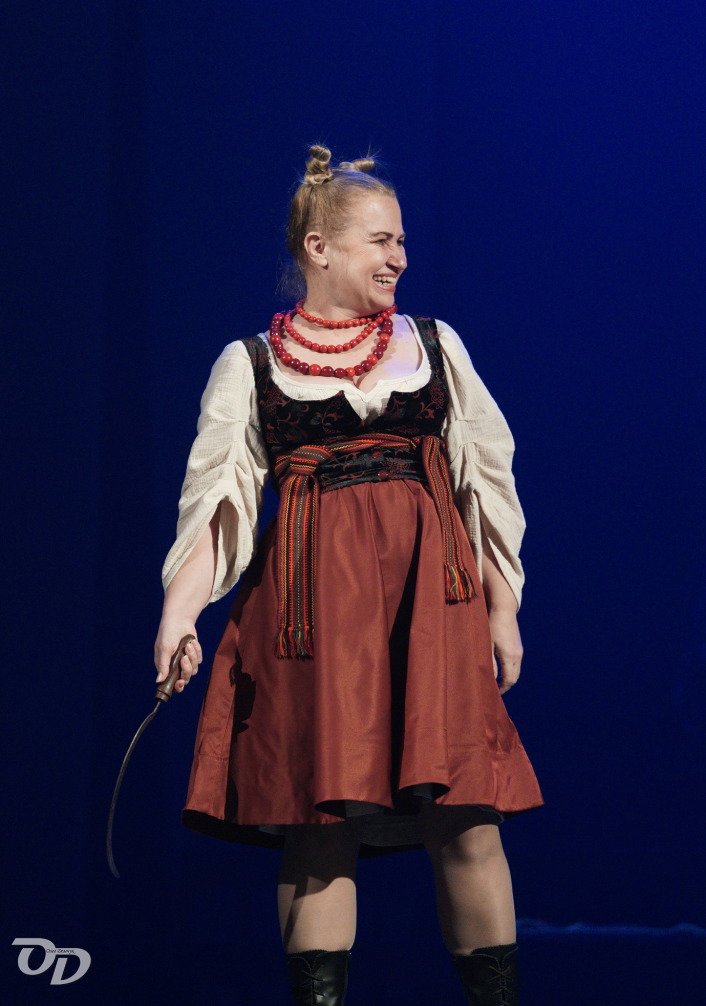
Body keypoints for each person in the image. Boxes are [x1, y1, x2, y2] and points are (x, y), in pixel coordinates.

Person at [154, 146, 543, 1006]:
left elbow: (485, 482)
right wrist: (179, 616)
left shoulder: (433, 346)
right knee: (320, 826)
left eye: (402, 240)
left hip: (431, 609)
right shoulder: (251, 363)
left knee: (468, 816)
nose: (399, 256)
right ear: (319, 247)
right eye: (380, 239)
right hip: (312, 619)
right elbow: (215, 504)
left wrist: (502, 608)